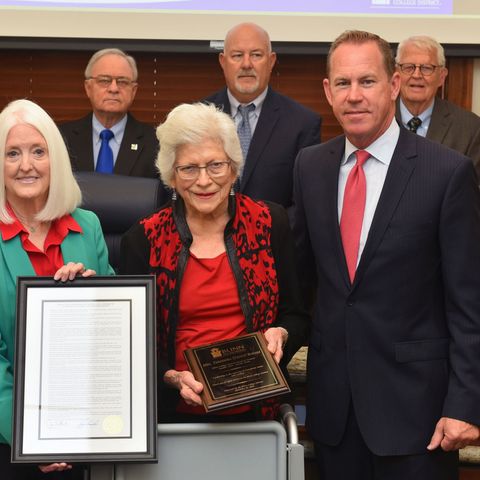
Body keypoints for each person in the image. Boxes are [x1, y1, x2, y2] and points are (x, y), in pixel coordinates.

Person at [292, 30, 480, 480]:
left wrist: (465, 403)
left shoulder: (446, 172)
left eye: (367, 82)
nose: (354, 96)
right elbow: (301, 284)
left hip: (419, 416)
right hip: (336, 413)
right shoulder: (310, 166)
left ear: (393, 85)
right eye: (342, 83)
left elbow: (469, 303)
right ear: (327, 91)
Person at [120, 102, 307, 422]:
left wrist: (283, 333)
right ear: (172, 177)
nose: (204, 180)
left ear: (233, 168)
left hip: (256, 413)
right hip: (175, 415)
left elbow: (298, 315)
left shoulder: (269, 223)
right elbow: (130, 345)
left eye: (216, 165)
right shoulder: (143, 240)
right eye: (189, 168)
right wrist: (170, 377)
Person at [0, 99, 115, 479]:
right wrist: (26, 437)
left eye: (38, 151)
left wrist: (96, 296)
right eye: (12, 153)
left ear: (57, 159)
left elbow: (117, 331)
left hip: (86, 427)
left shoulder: (89, 225)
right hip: (9, 438)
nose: (26, 165)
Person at [204, 22, 321, 208]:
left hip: (273, 235)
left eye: (256, 55)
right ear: (223, 62)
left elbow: (303, 206)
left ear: (271, 61)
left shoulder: (302, 124)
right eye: (237, 55)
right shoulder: (198, 117)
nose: (246, 64)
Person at [59, 48, 159, 178]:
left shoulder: (155, 143)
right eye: (104, 80)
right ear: (88, 88)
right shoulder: (62, 139)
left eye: (122, 82)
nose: (113, 89)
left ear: (133, 91)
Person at [395, 35, 480, 176]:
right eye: (408, 67)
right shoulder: (375, 120)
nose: (416, 75)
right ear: (396, 74)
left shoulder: (470, 129)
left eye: (427, 68)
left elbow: (470, 192)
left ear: (441, 76)